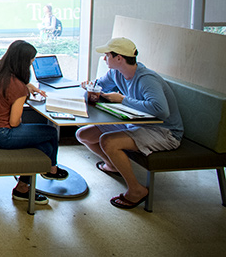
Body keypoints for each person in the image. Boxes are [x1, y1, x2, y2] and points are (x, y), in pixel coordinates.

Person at [75, 37, 183, 209]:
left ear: (119, 58)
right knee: (83, 134)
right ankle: (112, 164)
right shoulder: (116, 73)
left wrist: (123, 100)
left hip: (163, 131)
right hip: (136, 123)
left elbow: (161, 110)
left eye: (107, 55)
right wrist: (91, 89)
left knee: (108, 141)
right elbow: (99, 86)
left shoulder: (147, 79)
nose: (104, 59)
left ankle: (136, 190)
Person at [0, 40, 68, 206]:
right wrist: (22, 98)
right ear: (24, 62)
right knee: (50, 133)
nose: (32, 63)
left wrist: (28, 86)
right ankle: (52, 169)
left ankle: (22, 189)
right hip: (1, 135)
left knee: (46, 148)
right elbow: (14, 122)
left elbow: (12, 83)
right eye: (31, 60)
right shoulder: (18, 88)